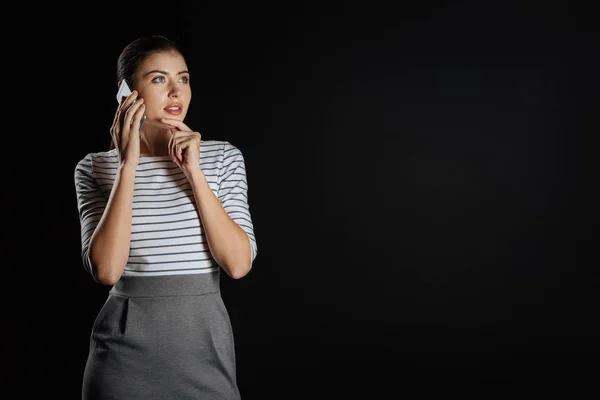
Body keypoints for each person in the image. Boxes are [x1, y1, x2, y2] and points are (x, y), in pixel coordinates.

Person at [73, 35, 258, 399]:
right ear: (127, 92)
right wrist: (128, 166)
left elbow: (238, 264)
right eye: (159, 79)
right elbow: (107, 271)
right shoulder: (95, 167)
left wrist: (194, 173)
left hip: (206, 360)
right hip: (120, 366)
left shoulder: (223, 158)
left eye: (183, 79)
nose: (176, 91)